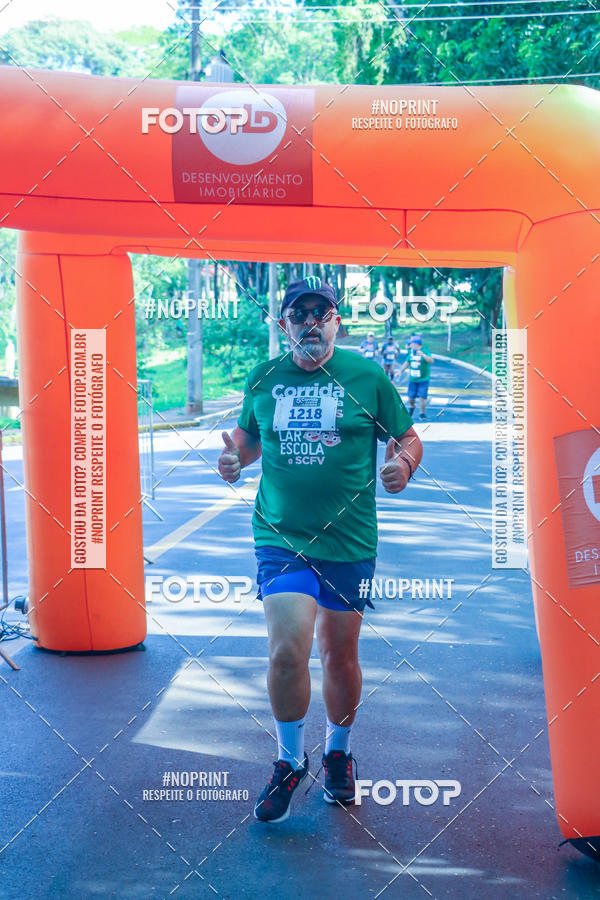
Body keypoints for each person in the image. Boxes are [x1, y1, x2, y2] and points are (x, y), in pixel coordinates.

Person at [218, 276, 422, 823]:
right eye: (299, 313)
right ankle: (288, 761)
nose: (311, 321)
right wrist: (235, 458)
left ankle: (338, 752)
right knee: (287, 650)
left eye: (320, 311)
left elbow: (406, 436)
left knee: (339, 655)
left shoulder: (367, 376)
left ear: (338, 322)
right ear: (283, 325)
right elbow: (249, 438)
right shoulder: (263, 377)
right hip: (280, 536)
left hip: (349, 539)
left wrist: (402, 464)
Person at [398, 334, 434, 420]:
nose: (410, 345)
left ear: (416, 344)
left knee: (422, 397)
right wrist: (400, 371)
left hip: (423, 379)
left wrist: (423, 355)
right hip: (413, 379)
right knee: (411, 398)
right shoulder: (411, 352)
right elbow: (407, 362)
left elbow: (431, 361)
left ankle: (422, 414)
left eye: (411, 343)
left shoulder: (425, 350)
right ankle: (413, 406)